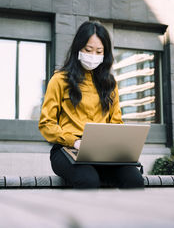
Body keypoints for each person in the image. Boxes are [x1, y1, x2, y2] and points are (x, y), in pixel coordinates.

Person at [38, 21, 145, 189]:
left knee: (134, 179)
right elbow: (46, 124)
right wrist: (74, 141)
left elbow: (116, 123)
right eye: (88, 50)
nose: (93, 55)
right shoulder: (59, 80)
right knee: (88, 179)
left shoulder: (110, 84)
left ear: (105, 54)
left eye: (99, 51)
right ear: (78, 49)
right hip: (67, 148)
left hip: (103, 151)